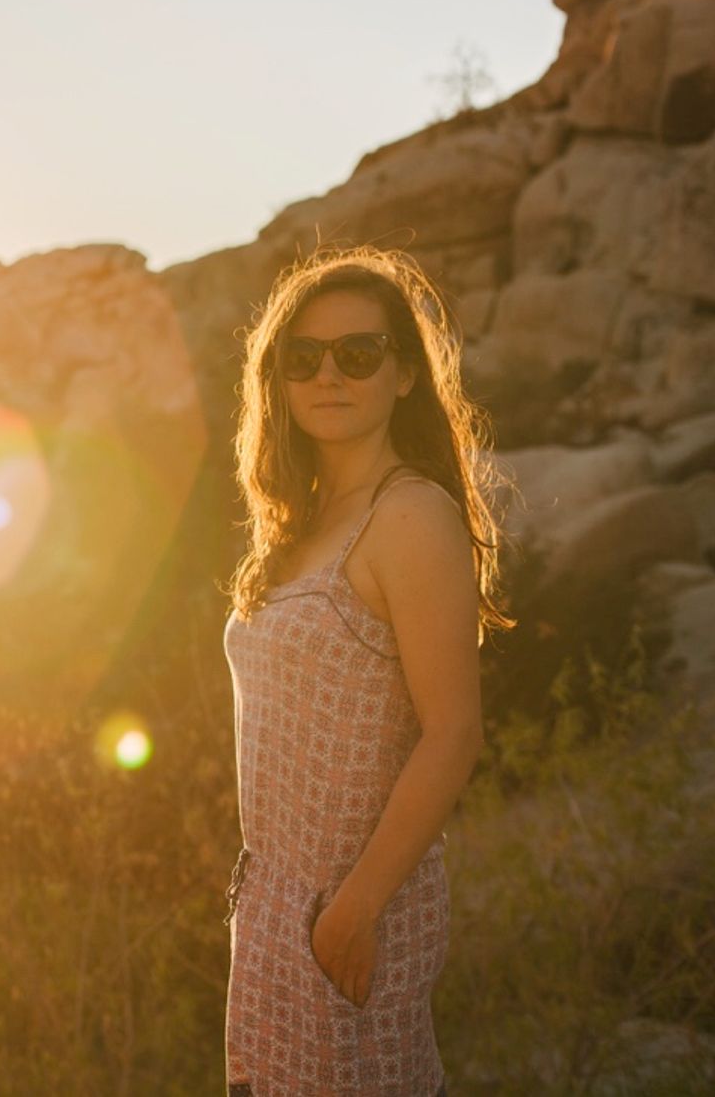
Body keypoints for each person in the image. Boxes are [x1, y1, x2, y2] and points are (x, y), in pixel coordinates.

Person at [218, 244, 515, 1095]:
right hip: (275, 911)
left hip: (357, 909)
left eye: (357, 353)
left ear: (404, 374)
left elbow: (452, 734)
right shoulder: (299, 523)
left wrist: (351, 911)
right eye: (301, 356)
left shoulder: (410, 514)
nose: (327, 374)